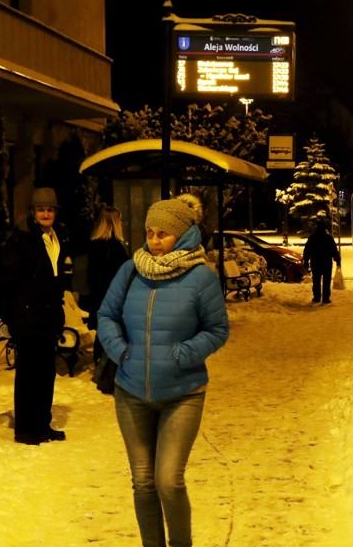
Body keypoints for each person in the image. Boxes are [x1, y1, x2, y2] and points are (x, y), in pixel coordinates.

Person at [97, 193, 229, 547]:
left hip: (182, 395)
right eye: (150, 232)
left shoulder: (201, 277)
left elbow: (218, 330)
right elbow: (106, 316)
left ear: (183, 234)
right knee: (143, 482)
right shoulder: (130, 270)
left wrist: (181, 354)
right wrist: (122, 351)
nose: (154, 241)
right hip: (130, 393)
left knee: (168, 481)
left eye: (163, 234)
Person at [0, 187, 69, 445]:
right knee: (29, 377)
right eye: (41, 209)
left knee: (45, 375)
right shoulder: (22, 240)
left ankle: (42, 425)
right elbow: (3, 280)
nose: (46, 213)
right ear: (33, 212)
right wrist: (5, 317)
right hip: (27, 319)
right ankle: (26, 430)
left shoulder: (55, 238)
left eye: (50, 209)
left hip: (47, 319)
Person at [83, 206, 129, 363]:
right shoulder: (115, 248)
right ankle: (105, 368)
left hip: (97, 297)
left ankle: (100, 363)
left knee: (102, 333)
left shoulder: (94, 245)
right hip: (112, 298)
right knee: (112, 334)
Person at [302, 219, 341, 304]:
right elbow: (333, 250)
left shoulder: (312, 238)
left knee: (316, 280)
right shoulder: (328, 238)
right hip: (326, 262)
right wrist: (337, 260)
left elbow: (307, 250)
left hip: (315, 262)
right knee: (326, 280)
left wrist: (306, 261)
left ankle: (316, 297)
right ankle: (326, 298)